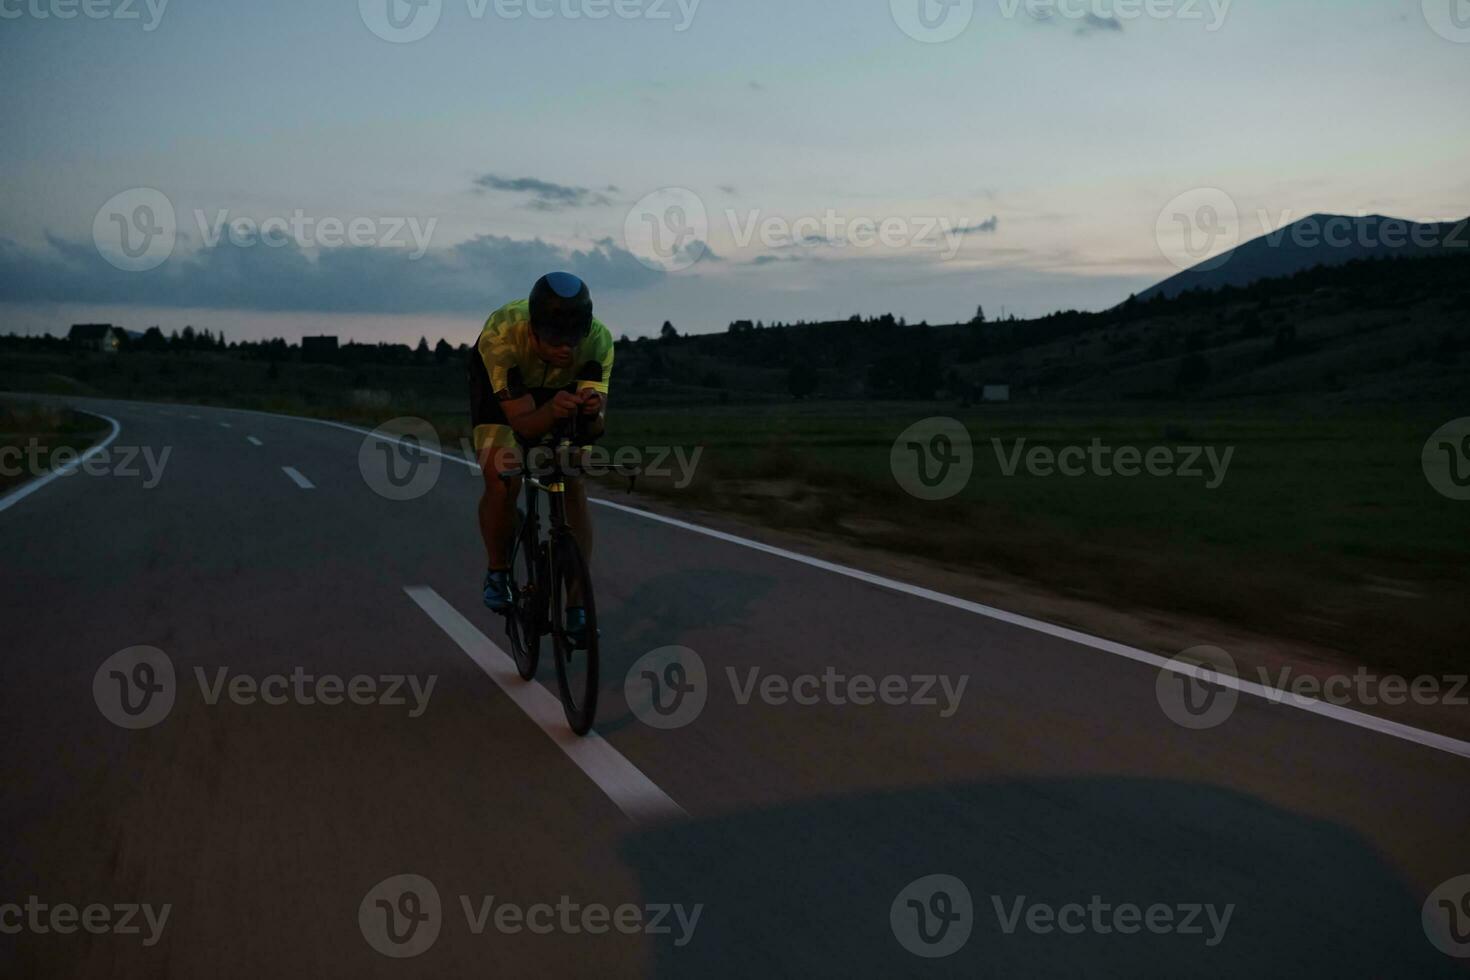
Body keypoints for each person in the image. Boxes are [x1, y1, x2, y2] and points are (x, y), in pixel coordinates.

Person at [468, 272, 613, 642]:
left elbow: (594, 430)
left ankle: (578, 605)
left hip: (560, 390)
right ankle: (498, 570)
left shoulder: (598, 341)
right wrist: (551, 413)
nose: (566, 348)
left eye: (573, 338)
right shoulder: (501, 334)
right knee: (504, 477)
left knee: (572, 477)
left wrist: (591, 413)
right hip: (505, 397)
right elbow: (525, 425)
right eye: (554, 338)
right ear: (533, 328)